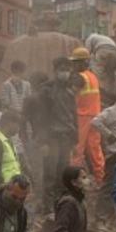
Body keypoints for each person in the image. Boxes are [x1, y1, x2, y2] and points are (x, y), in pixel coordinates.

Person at [27, 58, 79, 196]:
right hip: (51, 138)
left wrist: (75, 140)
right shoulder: (46, 90)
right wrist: (43, 141)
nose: (66, 73)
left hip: (66, 137)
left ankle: (59, 204)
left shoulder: (69, 91)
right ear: (55, 71)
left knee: (63, 173)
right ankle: (47, 208)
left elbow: (73, 117)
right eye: (62, 69)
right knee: (50, 172)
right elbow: (40, 118)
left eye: (68, 70)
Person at [70, 49, 105, 184]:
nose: (73, 66)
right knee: (95, 149)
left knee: (77, 148)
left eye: (75, 62)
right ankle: (100, 178)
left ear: (83, 62)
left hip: (82, 116)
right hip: (95, 116)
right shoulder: (93, 76)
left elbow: (72, 96)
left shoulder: (79, 77)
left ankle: (74, 178)